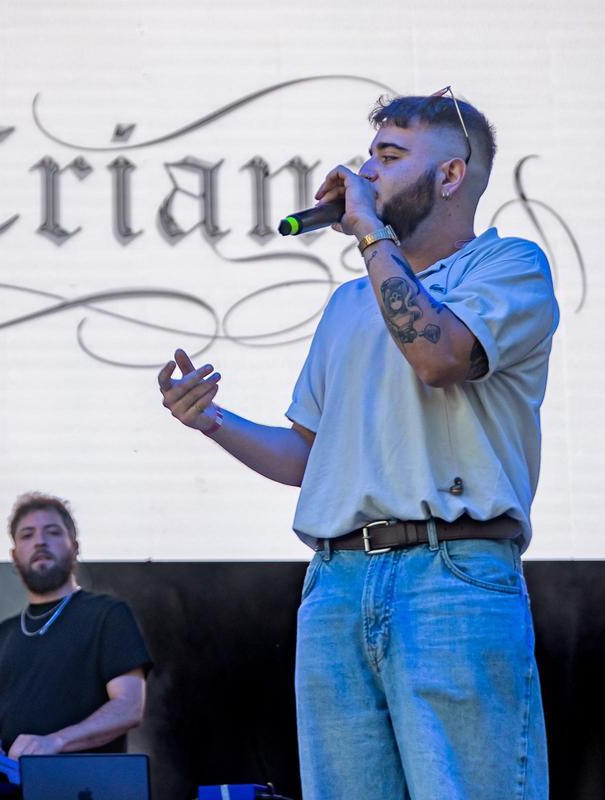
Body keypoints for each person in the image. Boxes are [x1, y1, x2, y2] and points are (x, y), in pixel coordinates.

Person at [158, 90, 557, 799]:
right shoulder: (348, 304)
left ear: (452, 176)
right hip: (336, 584)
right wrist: (211, 422)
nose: (365, 172)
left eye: (390, 156)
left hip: (451, 576)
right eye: (370, 155)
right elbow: (306, 458)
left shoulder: (510, 268)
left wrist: (371, 230)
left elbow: (438, 358)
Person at [0, 492, 152, 758]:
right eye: (27, 535)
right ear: (14, 555)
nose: (40, 542)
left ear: (75, 547)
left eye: (53, 532)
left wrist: (56, 741)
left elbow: (129, 707)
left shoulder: (107, 614)